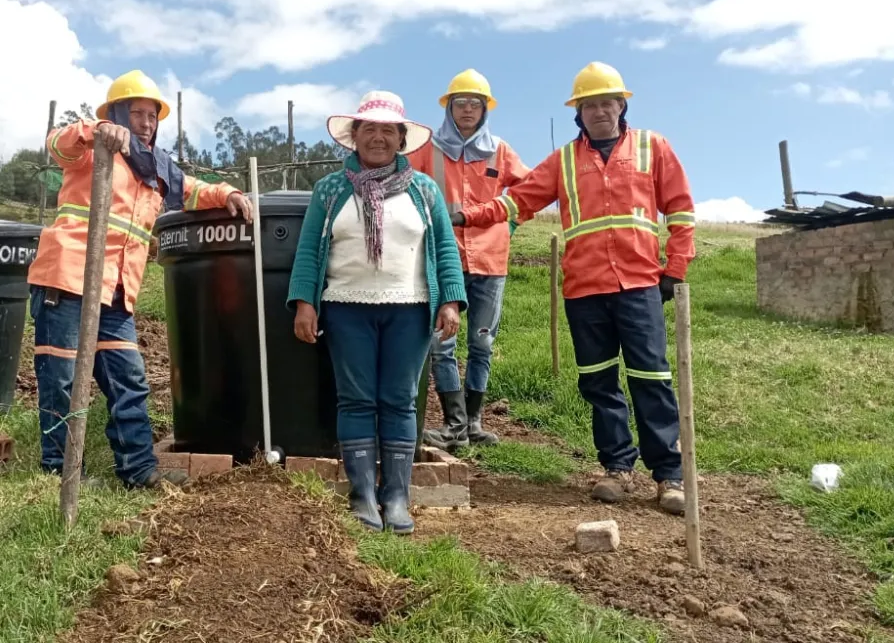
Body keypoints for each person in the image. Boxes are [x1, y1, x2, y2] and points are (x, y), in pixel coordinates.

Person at [452, 62, 696, 515]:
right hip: (584, 290)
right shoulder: (564, 161)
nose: (600, 112)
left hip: (640, 284)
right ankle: (617, 470)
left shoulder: (652, 147)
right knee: (599, 382)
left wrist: (676, 268)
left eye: (607, 103)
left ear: (621, 106)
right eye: (589, 106)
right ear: (577, 114)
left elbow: (680, 210)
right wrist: (468, 215)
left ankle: (669, 476)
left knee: (652, 378)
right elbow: (517, 201)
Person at [28, 69, 253, 488]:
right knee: (61, 381)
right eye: (137, 113)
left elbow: (193, 191)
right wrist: (98, 131)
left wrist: (229, 194)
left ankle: (138, 471)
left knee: (129, 381)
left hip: (117, 293)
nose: (147, 123)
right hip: (68, 279)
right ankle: (57, 474)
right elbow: (56, 143)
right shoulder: (93, 146)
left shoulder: (159, 169)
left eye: (153, 115)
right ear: (117, 113)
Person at [287, 90, 467, 535]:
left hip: (409, 309)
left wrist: (450, 299)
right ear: (355, 136)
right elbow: (310, 250)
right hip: (347, 307)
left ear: (401, 139)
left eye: (389, 130)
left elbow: (443, 247)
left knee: (400, 400)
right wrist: (305, 302)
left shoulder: (425, 191)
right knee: (356, 399)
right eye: (370, 129)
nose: (379, 138)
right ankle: (363, 494)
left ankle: (397, 497)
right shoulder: (330, 190)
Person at [408, 68, 531, 452]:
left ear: (484, 110)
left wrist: (509, 224)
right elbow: (406, 187)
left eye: (474, 104)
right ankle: (453, 423)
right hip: (445, 260)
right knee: (442, 343)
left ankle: (473, 422)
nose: (467, 110)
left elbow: (530, 192)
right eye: (460, 103)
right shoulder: (428, 149)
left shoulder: (501, 151)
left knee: (482, 343)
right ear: (449, 107)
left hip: (491, 263)